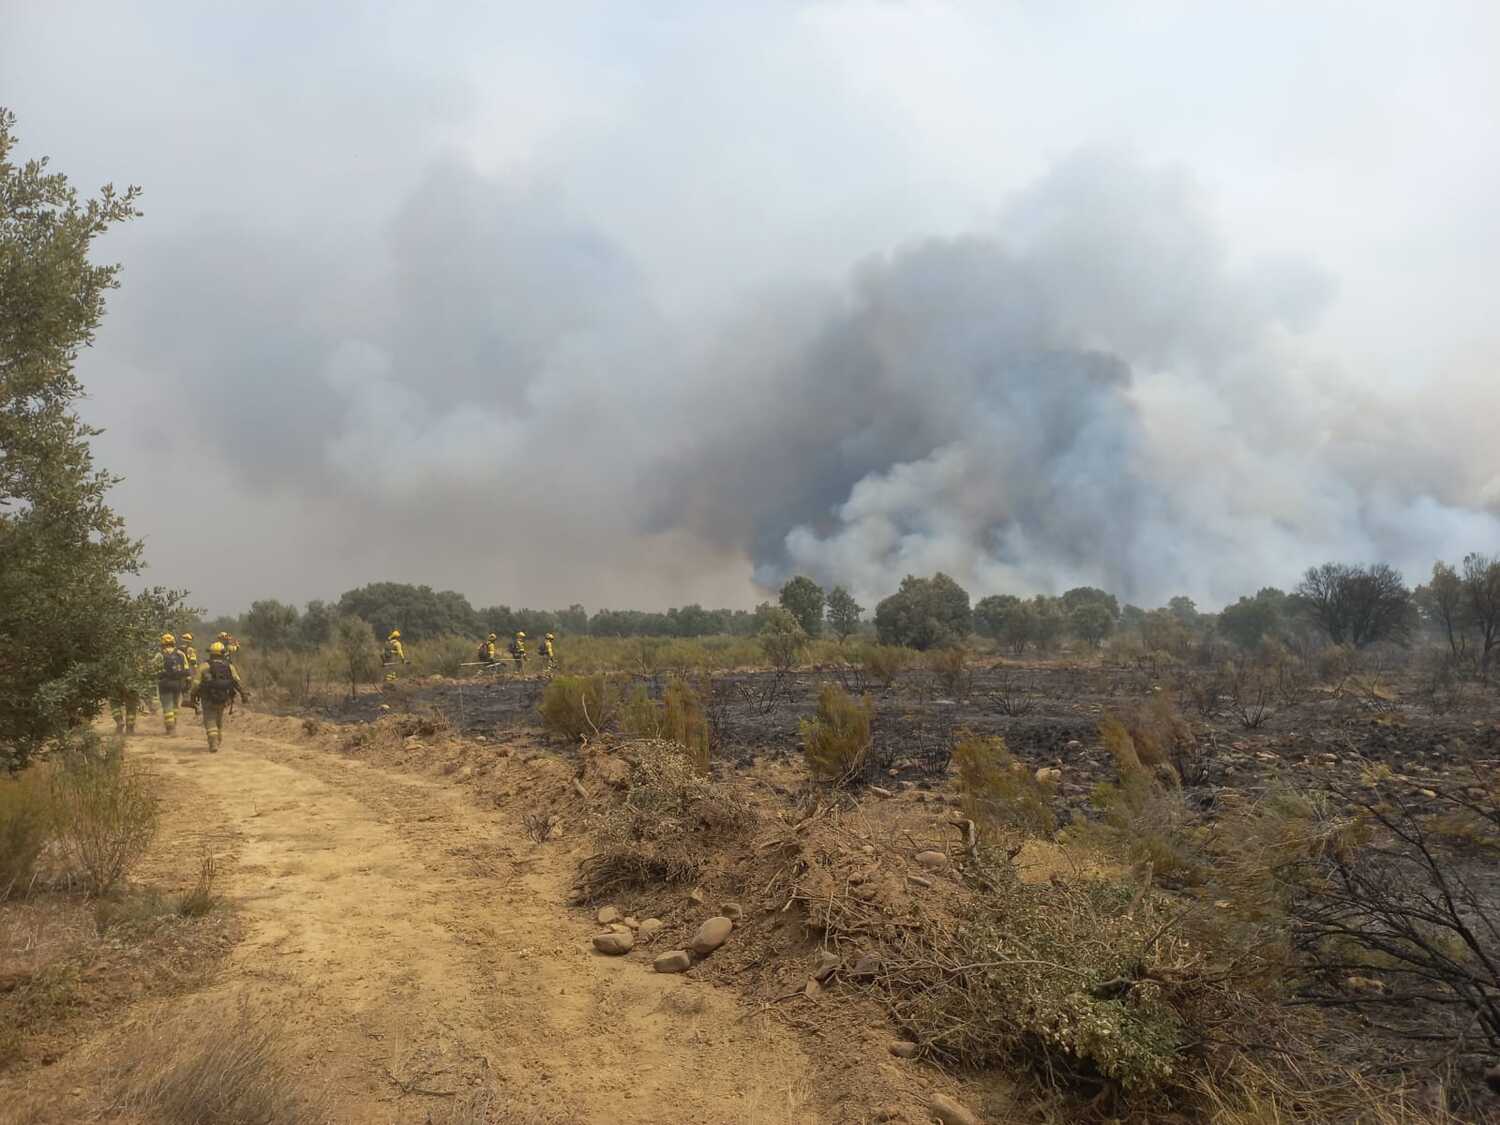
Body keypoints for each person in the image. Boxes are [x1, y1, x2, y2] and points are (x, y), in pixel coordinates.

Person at [189, 641, 248, 752]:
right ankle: (219, 738)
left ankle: (213, 742)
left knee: (210, 719)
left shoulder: (204, 666)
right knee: (219, 718)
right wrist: (243, 694)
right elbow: (236, 681)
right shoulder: (229, 666)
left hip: (207, 697)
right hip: (223, 697)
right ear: (222, 653)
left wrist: (192, 696)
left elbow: (196, 683)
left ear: (210, 653)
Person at [152, 633, 191, 735]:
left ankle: (170, 728)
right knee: (175, 705)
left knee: (167, 706)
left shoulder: (159, 655)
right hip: (177, 683)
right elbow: (187, 669)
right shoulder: (180, 654)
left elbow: (153, 669)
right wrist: (187, 684)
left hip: (164, 683)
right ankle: (174, 722)